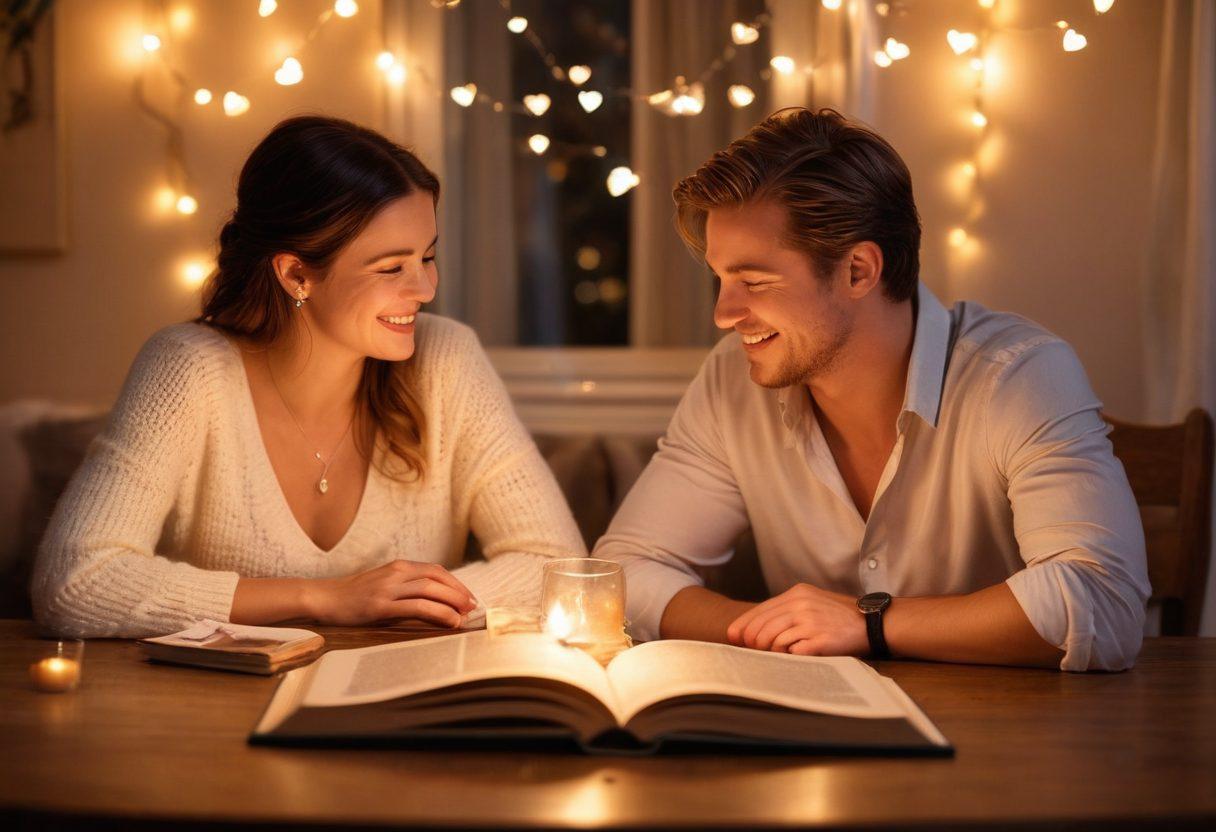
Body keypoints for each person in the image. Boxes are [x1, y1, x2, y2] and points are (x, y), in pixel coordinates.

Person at [594, 108, 1149, 671]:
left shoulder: (1018, 376)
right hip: (817, 725)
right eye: (721, 280)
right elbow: (626, 571)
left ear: (858, 270)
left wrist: (867, 625)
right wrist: (779, 632)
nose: (723, 314)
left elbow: (1101, 599)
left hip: (1014, 736)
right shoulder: (729, 381)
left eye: (754, 281)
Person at [32, 115, 585, 638]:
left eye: (427, 257)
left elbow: (560, 568)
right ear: (297, 273)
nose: (424, 289)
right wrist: (322, 598)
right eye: (392, 267)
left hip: (395, 706)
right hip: (213, 718)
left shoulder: (447, 360)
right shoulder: (188, 368)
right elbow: (74, 582)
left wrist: (400, 604)